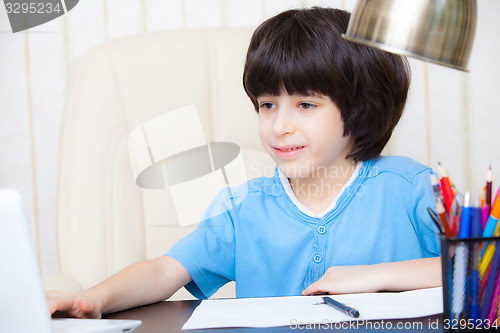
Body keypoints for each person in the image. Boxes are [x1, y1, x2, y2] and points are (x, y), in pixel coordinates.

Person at [47, 7, 441, 319]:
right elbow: (165, 271)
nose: (279, 126)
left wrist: (376, 277)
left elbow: (479, 270)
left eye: (305, 104)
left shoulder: (411, 189)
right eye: (268, 105)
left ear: (360, 107)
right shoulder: (242, 208)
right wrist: (91, 299)